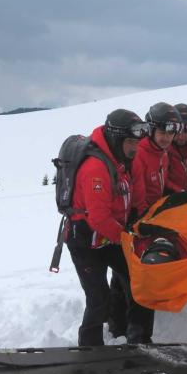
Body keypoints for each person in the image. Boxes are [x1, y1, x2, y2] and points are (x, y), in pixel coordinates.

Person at [66, 109, 154, 346]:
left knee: (139, 281)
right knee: (98, 299)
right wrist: (127, 238)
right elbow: (99, 218)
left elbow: (136, 198)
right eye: (130, 142)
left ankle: (139, 339)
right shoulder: (96, 168)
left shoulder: (123, 160)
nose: (135, 148)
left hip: (109, 239)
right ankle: (90, 350)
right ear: (116, 139)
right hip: (85, 242)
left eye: (137, 142)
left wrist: (140, 220)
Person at [106, 103, 182, 338]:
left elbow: (159, 185)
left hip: (148, 218)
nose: (167, 138)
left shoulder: (161, 152)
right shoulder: (140, 154)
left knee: (123, 279)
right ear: (150, 130)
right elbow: (137, 192)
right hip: (136, 222)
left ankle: (117, 325)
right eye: (162, 132)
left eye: (171, 133)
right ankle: (136, 334)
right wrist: (139, 221)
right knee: (139, 280)